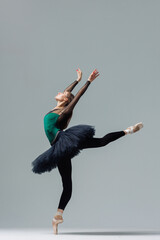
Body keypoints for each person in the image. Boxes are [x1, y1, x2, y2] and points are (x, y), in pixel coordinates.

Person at [31, 68, 143, 234]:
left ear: (65, 100)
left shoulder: (64, 112)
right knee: (67, 184)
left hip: (64, 142)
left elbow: (76, 97)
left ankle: (128, 131)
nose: (61, 91)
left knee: (101, 143)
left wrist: (88, 81)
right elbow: (69, 92)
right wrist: (77, 79)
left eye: (63, 93)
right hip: (59, 148)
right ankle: (58, 216)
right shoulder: (58, 107)